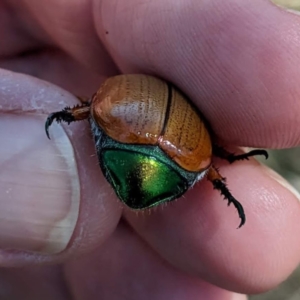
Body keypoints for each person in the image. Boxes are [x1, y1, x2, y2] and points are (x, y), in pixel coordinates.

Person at [0, 0, 300, 299]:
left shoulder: (122, 85)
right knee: (200, 160)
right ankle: (223, 172)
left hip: (144, 139)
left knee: (95, 110)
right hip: (172, 154)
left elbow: (95, 108)